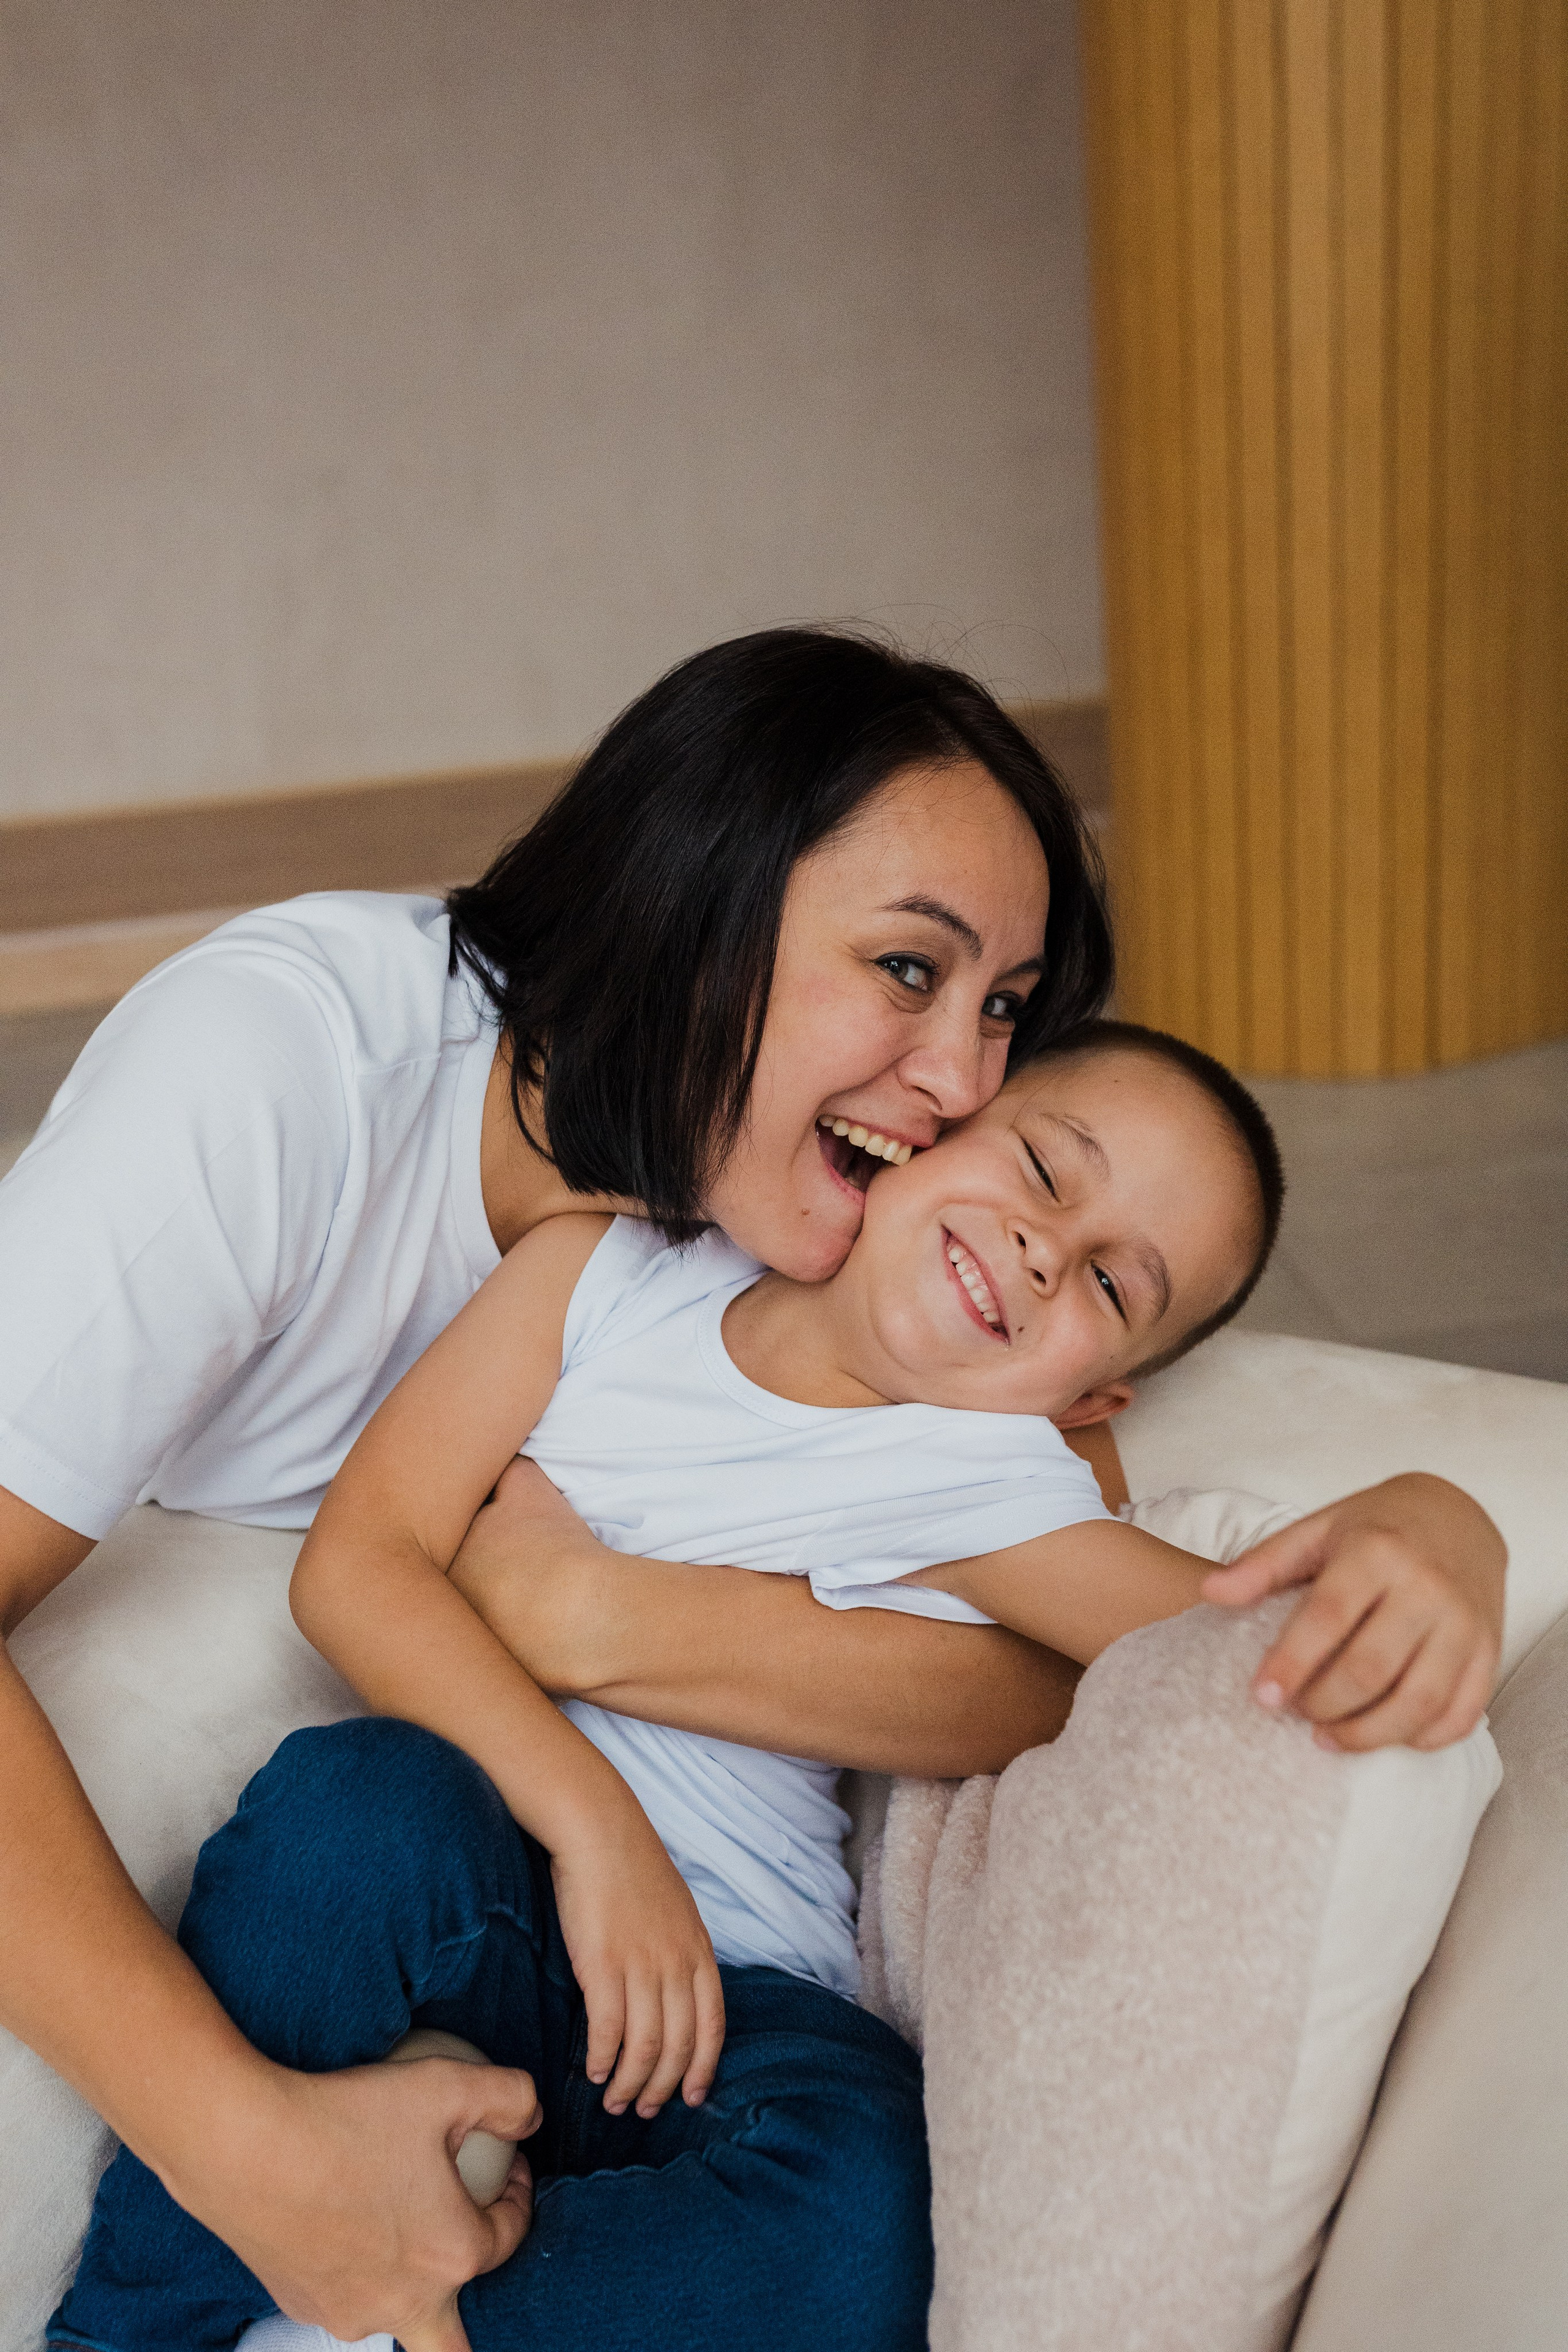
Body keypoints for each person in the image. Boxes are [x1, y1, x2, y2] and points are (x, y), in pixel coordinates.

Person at [0, 630, 1503, 2345]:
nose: (958, 1083)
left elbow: (1129, 1652)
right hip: (497, 1870)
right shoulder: (351, 1116)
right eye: (908, 970)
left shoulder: (917, 1345)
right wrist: (254, 2128)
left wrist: (1440, 1520)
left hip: (729, 1990)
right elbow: (371, 1564)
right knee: (355, 1820)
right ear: (699, 896)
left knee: (860, 2195)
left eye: (1004, 1010)